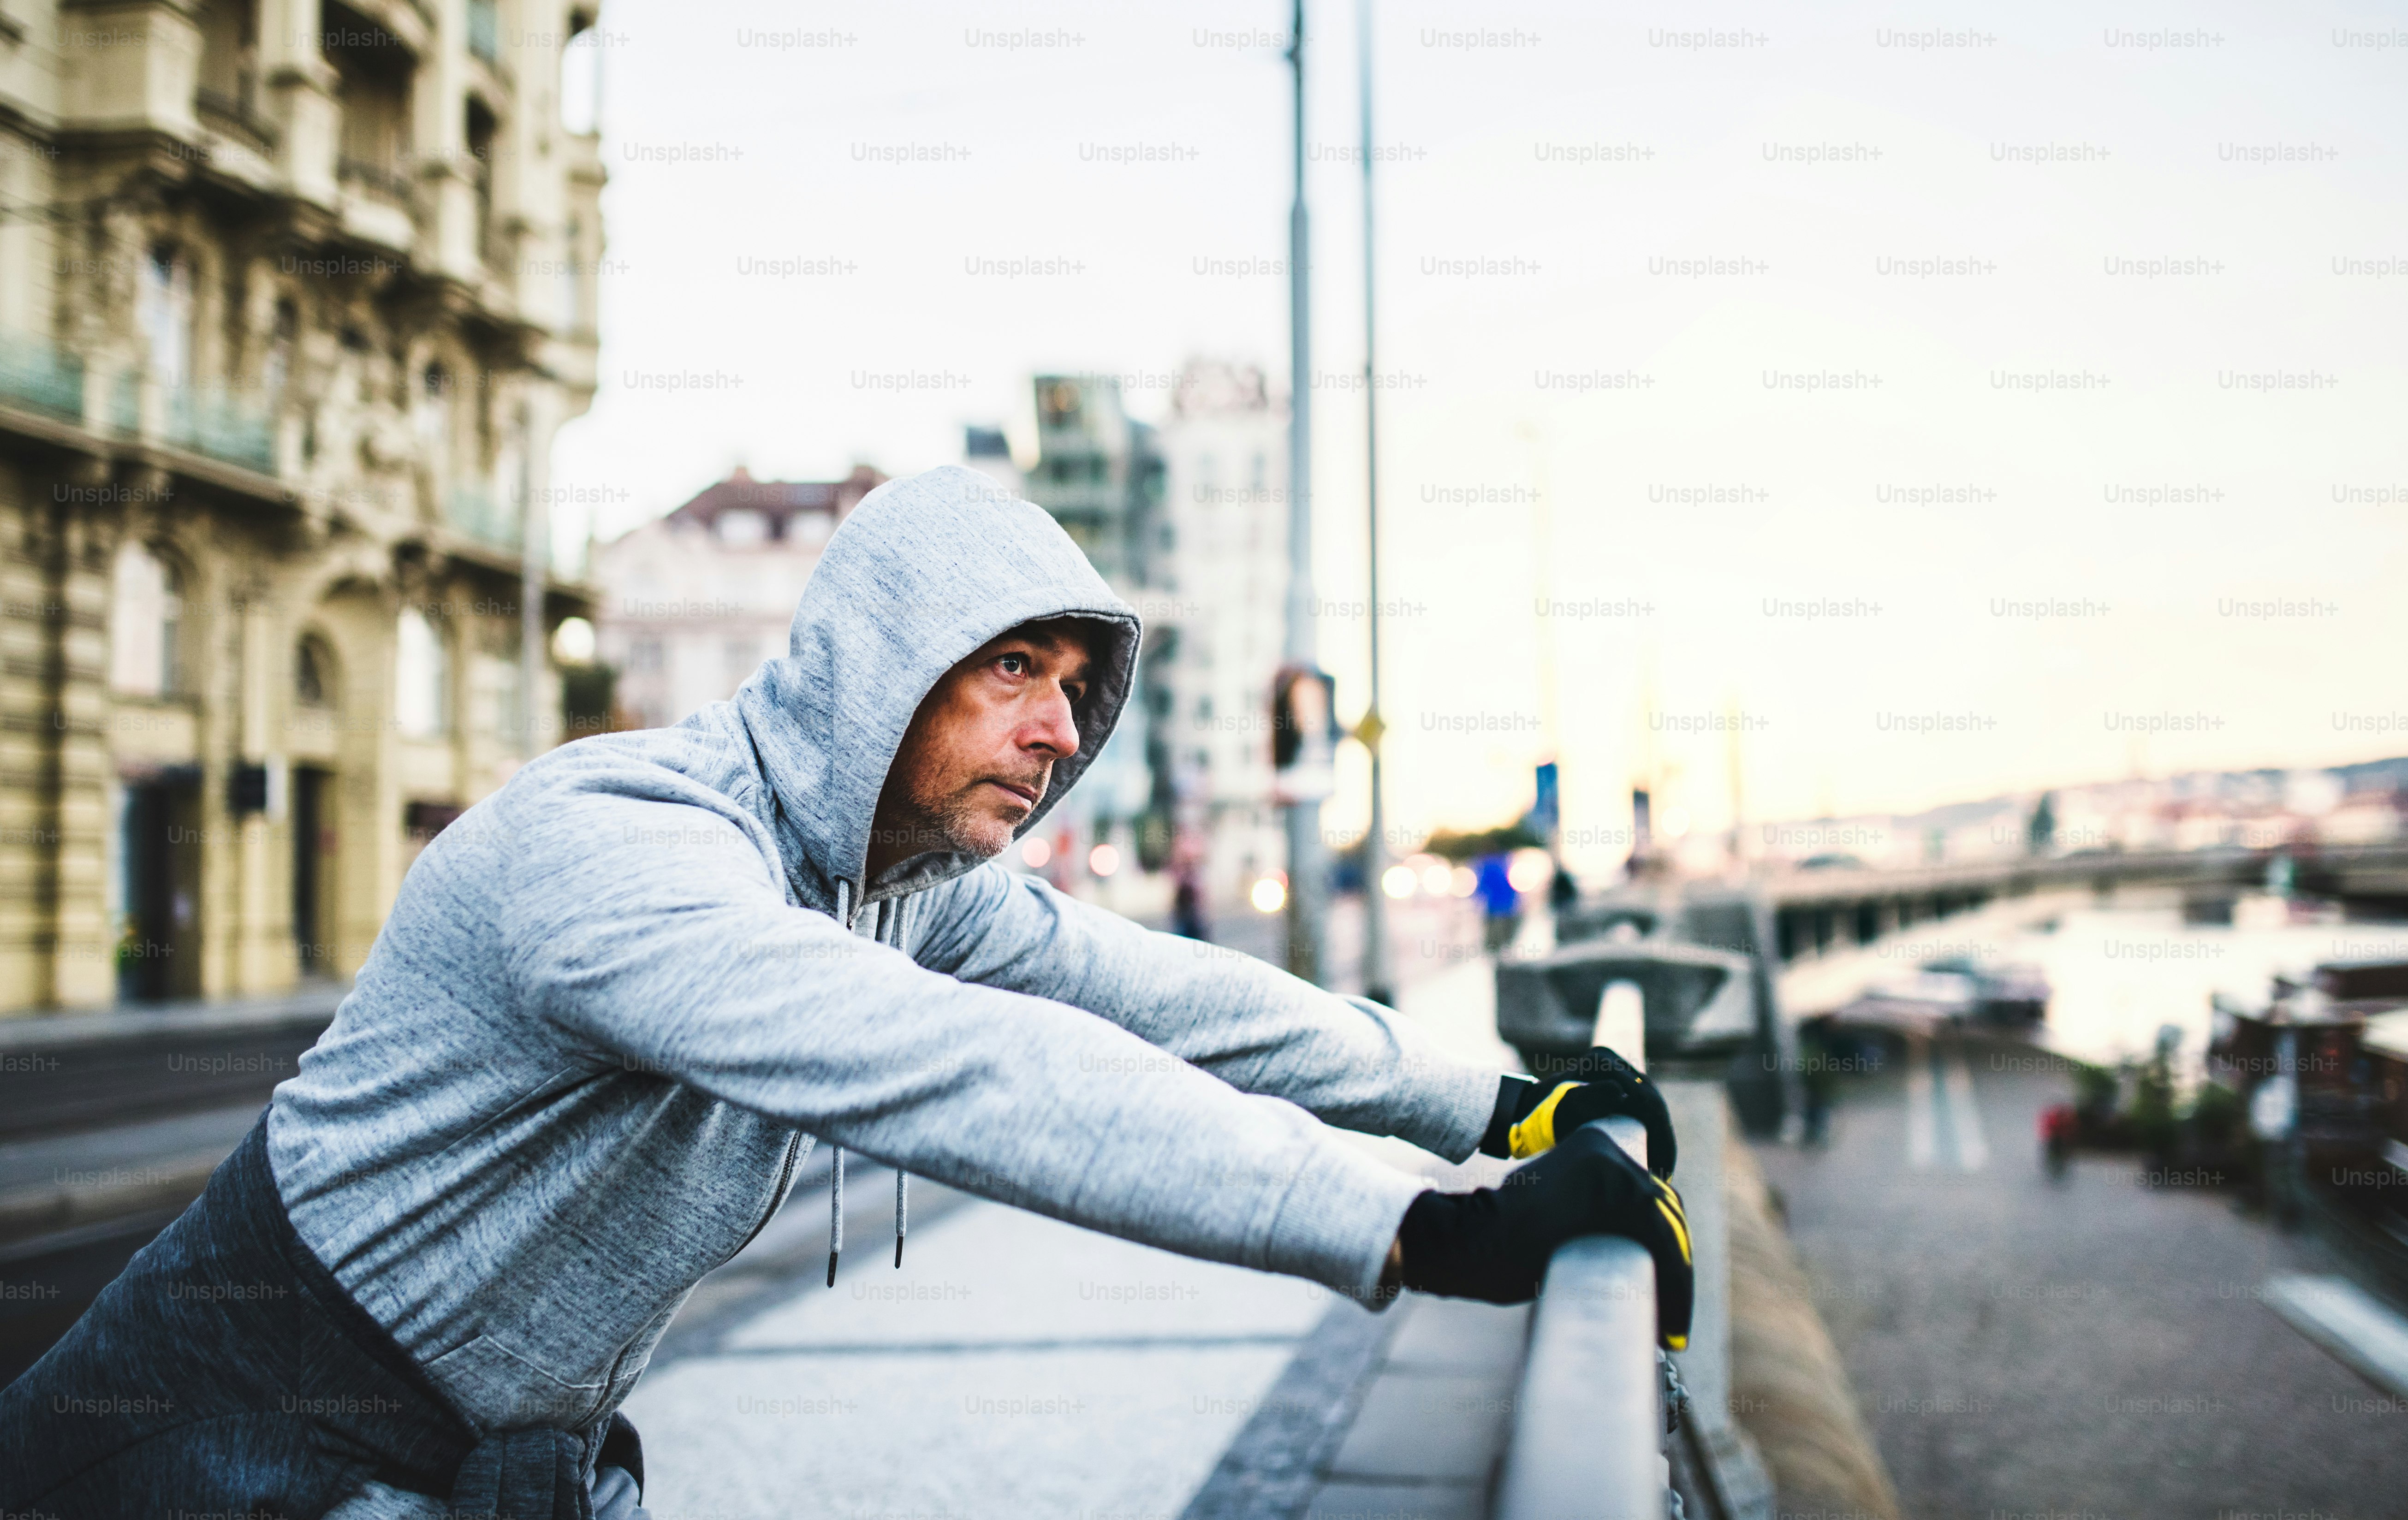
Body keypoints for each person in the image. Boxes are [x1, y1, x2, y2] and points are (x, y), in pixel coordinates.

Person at [0, 468, 1690, 1518]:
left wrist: (1491, 1106)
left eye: (1079, 689)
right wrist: (1429, 1228)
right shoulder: (625, 847)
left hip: (487, 1459)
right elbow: (966, 1073)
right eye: (1012, 667)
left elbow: (1157, 996)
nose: (1055, 729)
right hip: (218, 1444)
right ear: (880, 667)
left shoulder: (897, 889)